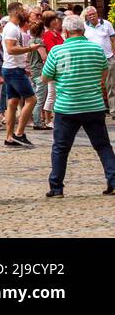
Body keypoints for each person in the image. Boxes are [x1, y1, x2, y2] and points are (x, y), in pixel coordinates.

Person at [40, 13, 115, 197]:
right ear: (83, 30)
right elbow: (103, 74)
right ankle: (113, 181)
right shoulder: (96, 49)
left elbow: (45, 77)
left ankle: (56, 187)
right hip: (93, 105)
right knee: (103, 145)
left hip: (67, 106)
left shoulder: (57, 51)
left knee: (60, 148)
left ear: (66, 31)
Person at [0, 3, 40, 148]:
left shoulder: (12, 28)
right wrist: (30, 48)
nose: (25, 12)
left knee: (12, 103)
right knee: (31, 100)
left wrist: (23, 66)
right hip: (13, 70)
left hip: (12, 68)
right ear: (16, 12)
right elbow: (11, 49)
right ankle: (19, 134)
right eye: (22, 10)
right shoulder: (11, 28)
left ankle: (9, 137)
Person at [82, 6, 115, 115]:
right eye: (89, 15)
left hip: (108, 58)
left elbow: (113, 40)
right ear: (87, 16)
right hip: (92, 61)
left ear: (97, 13)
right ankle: (97, 109)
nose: (92, 16)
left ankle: (113, 110)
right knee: (93, 85)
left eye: (93, 14)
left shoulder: (107, 24)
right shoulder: (84, 27)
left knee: (111, 85)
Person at [39, 12, 64, 129]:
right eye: (54, 19)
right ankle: (48, 118)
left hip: (60, 66)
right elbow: (51, 51)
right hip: (54, 67)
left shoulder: (55, 33)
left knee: (54, 93)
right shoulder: (48, 34)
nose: (56, 21)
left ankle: (50, 117)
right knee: (52, 93)